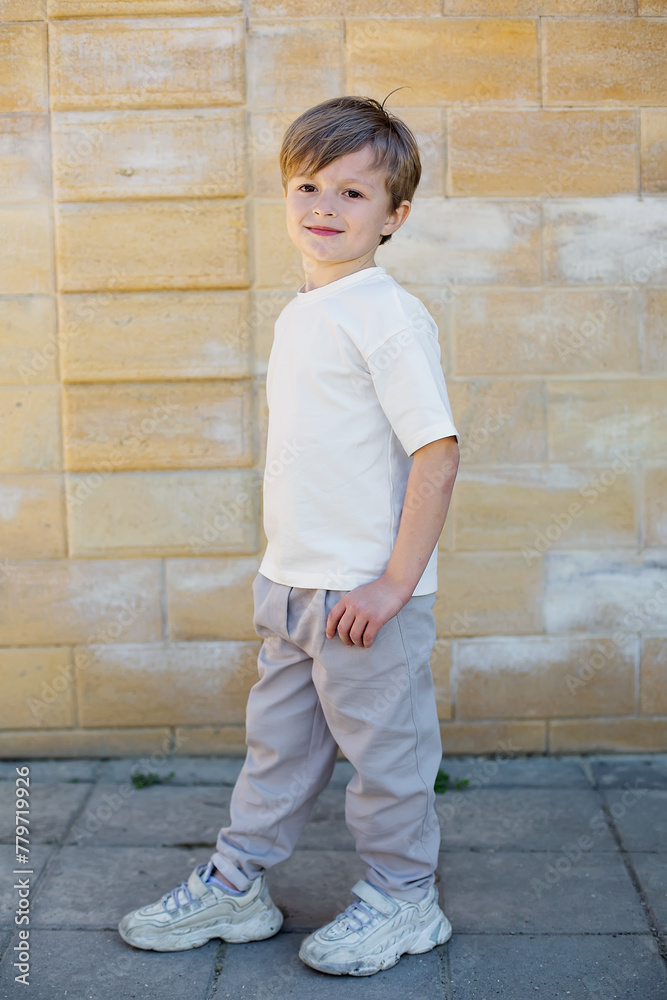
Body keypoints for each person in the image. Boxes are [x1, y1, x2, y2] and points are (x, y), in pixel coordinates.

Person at [118, 92, 460, 978]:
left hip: (363, 599)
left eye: (353, 194)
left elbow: (437, 451)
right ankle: (238, 885)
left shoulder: (386, 313)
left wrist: (391, 584)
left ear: (395, 216)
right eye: (308, 185)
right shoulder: (306, 309)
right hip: (293, 588)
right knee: (276, 752)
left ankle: (404, 901)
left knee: (386, 764)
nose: (323, 207)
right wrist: (280, 575)